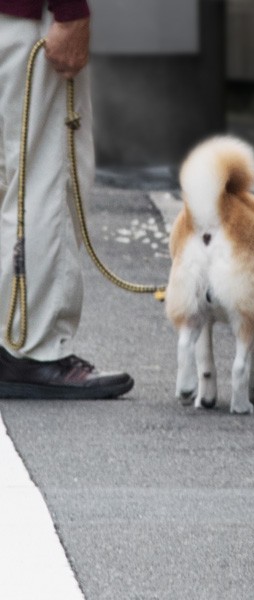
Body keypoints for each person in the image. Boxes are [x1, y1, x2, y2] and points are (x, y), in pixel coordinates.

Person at [0, 0, 133, 398]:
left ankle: (12, 336)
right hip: (27, 18)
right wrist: (69, 9)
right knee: (45, 175)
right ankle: (32, 350)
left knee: (10, 177)